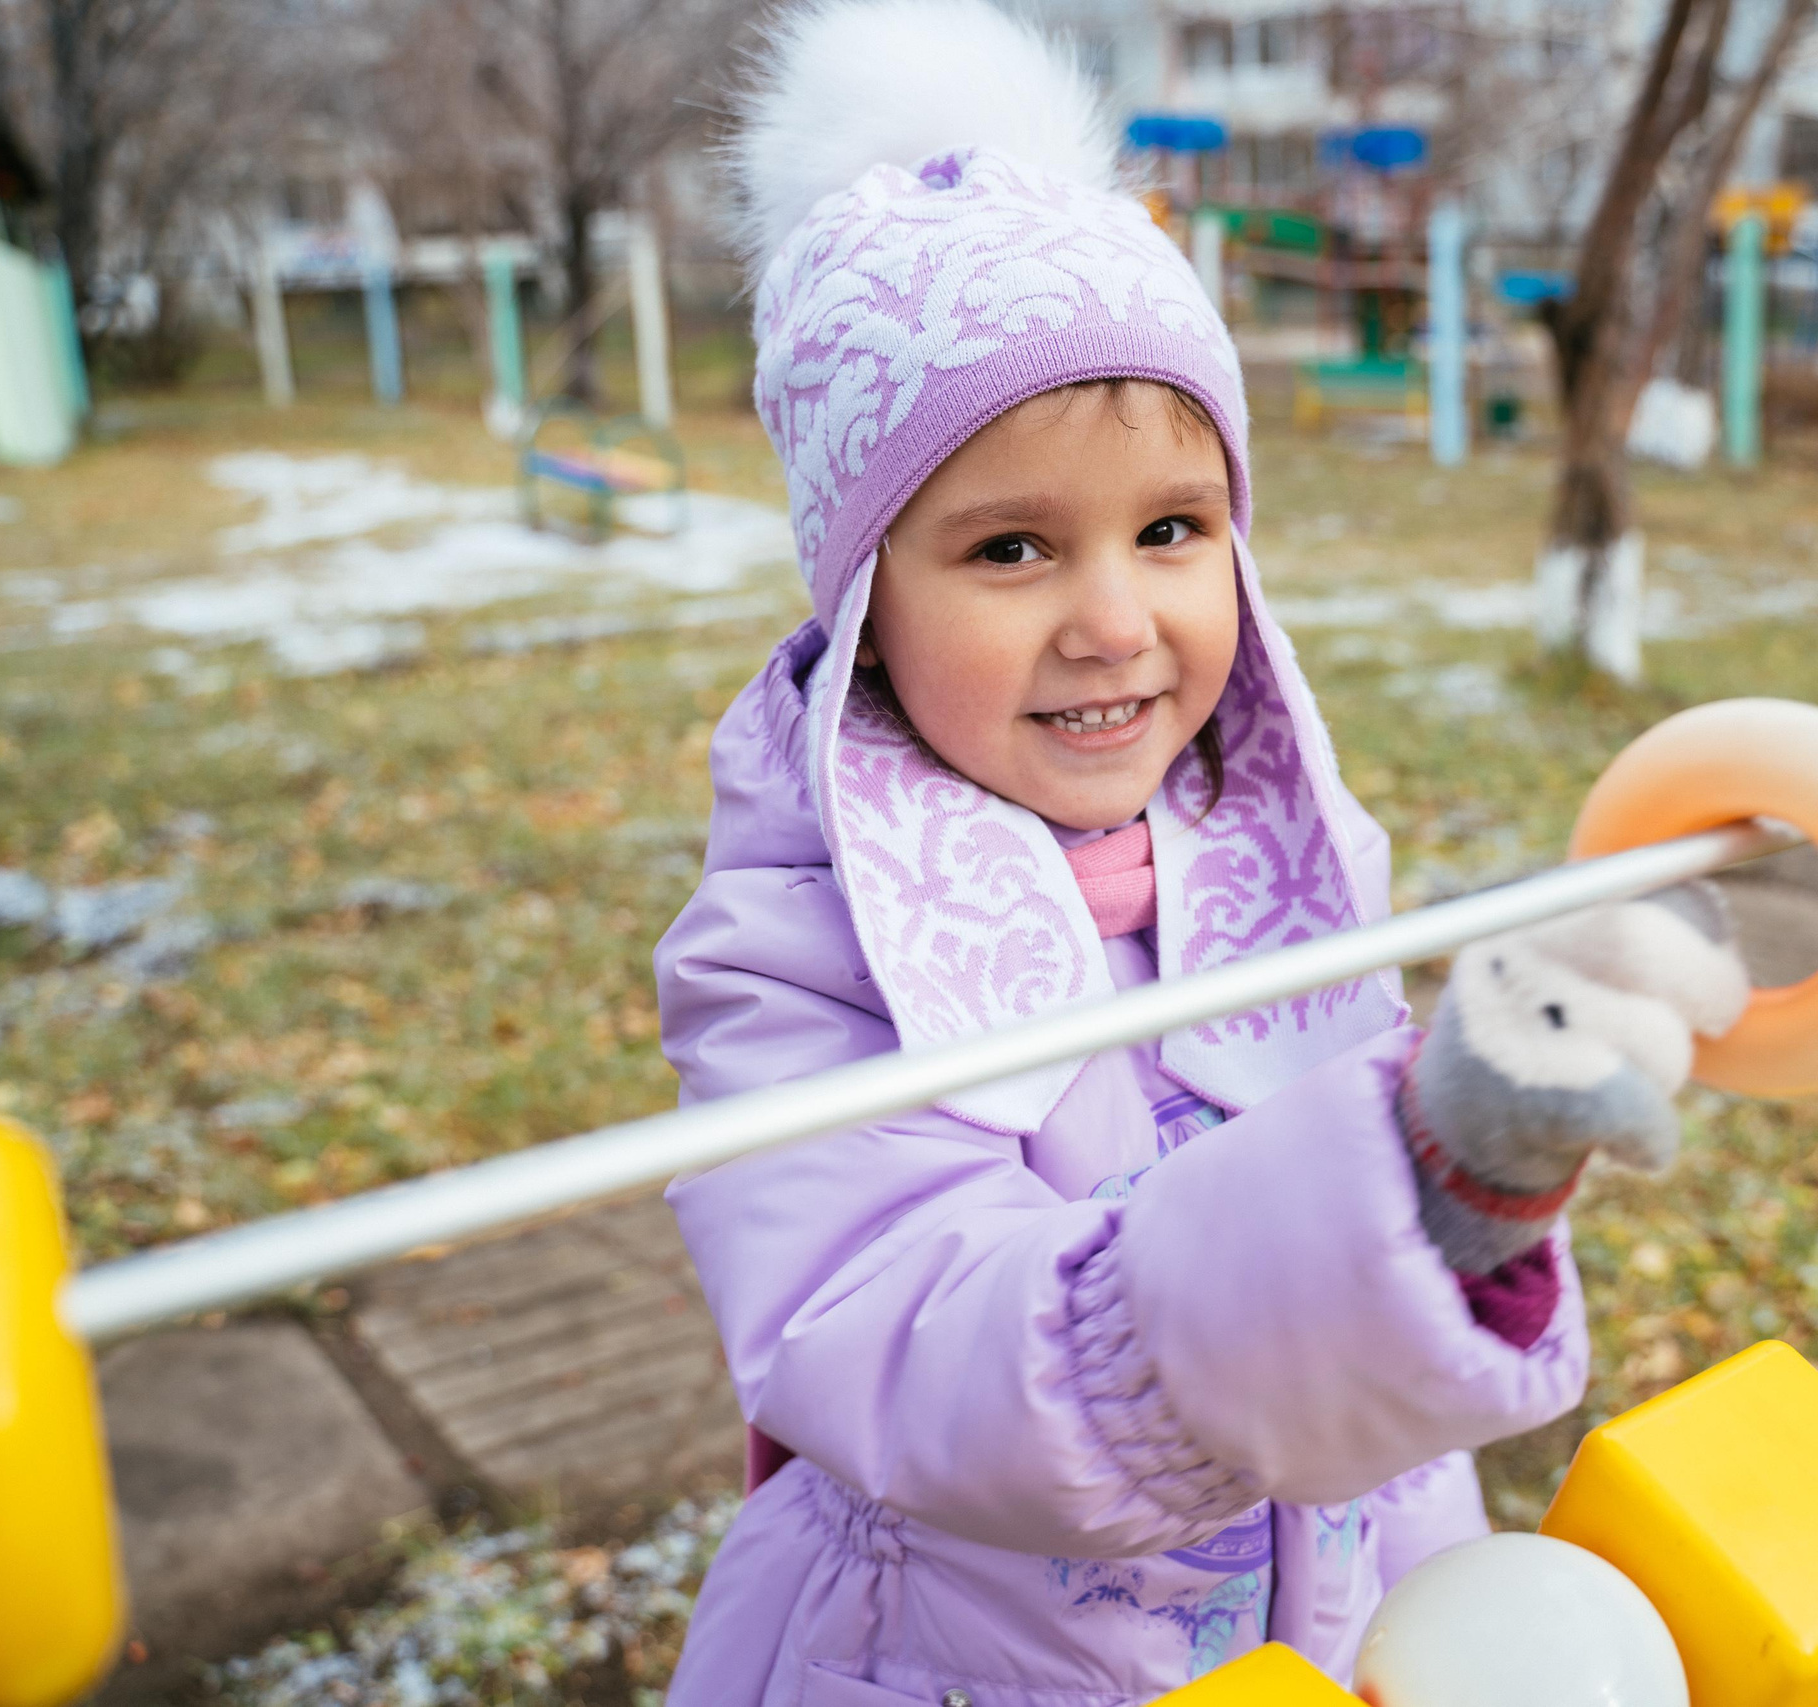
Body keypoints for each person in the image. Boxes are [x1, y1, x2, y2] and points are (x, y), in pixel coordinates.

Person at [653, 2, 1750, 1699]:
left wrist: (1439, 1590)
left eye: (1173, 531)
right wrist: (1407, 1177)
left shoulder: (1278, 849)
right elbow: (919, 1344)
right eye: (1012, 547)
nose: (1117, 622)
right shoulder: (794, 950)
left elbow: (1380, 1386)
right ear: (865, 608)